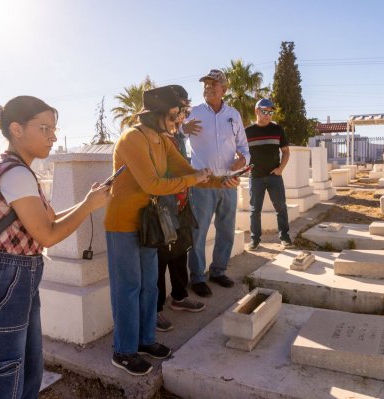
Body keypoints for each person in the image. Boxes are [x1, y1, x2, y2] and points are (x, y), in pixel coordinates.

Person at [0, 96, 111, 399]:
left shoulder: (18, 171)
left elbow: (49, 221)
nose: (53, 137)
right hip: (2, 281)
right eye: (44, 128)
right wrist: (88, 207)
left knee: (25, 372)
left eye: (54, 129)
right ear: (16, 129)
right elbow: (47, 235)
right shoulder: (16, 174)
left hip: (11, 279)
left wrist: (86, 202)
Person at [105, 86, 233, 376]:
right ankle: (123, 351)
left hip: (150, 223)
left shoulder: (163, 141)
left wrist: (220, 182)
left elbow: (185, 170)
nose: (179, 120)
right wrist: (192, 179)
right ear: (157, 114)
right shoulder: (132, 138)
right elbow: (153, 184)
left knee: (150, 285)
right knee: (128, 288)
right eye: (176, 114)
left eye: (181, 113)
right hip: (123, 224)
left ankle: (146, 340)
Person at [185, 69, 250, 298]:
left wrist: (242, 159)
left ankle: (219, 271)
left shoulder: (234, 115)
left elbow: (243, 147)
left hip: (228, 183)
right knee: (198, 232)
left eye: (214, 84)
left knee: (226, 230)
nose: (208, 87)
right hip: (202, 183)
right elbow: (173, 136)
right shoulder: (192, 113)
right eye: (205, 84)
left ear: (224, 89)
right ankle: (197, 277)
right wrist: (183, 129)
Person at [155, 85, 205, 333]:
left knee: (180, 251)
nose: (183, 115)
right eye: (179, 110)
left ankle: (179, 296)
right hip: (163, 208)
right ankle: (155, 310)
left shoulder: (177, 136)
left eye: (184, 109)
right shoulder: (156, 136)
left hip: (182, 203)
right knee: (160, 259)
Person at [244, 98, 293, 251]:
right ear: (257, 111)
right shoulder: (247, 132)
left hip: (274, 177)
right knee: (254, 211)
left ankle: (284, 237)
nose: (268, 115)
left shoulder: (277, 129)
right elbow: (241, 152)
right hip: (256, 177)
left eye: (271, 112)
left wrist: (281, 169)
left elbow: (285, 151)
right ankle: (255, 240)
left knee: (281, 208)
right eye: (265, 111)